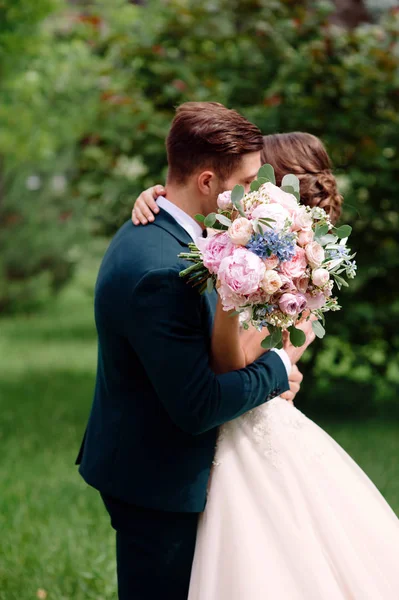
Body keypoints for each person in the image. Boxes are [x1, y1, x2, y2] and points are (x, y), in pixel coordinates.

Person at [132, 131, 399, 599]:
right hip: (231, 422)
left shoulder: (305, 273)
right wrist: (156, 196)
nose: (240, 189)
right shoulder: (253, 247)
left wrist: (229, 296)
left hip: (245, 430)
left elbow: (232, 362)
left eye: (254, 179)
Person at [76, 104, 314, 600]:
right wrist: (278, 366)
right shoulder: (161, 272)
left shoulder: (170, 228)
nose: (257, 193)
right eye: (247, 181)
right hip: (156, 483)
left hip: (157, 467)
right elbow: (198, 406)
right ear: (207, 181)